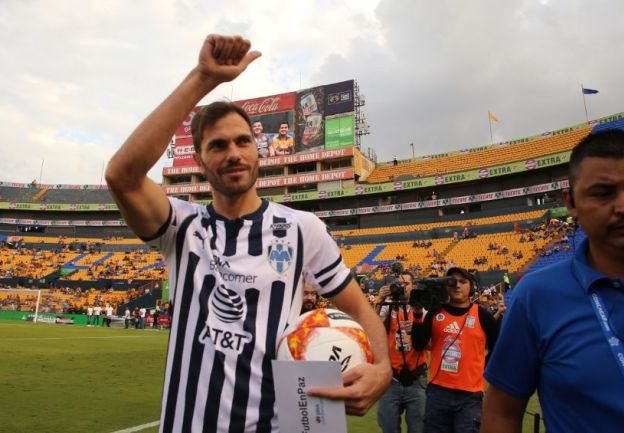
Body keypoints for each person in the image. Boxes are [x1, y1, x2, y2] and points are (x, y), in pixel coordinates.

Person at [105, 34, 391, 433]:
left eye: (243, 141)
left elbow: (361, 309)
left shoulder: (302, 228)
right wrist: (203, 78)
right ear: (202, 162)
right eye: (217, 146)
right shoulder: (181, 226)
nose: (233, 153)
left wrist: (383, 367)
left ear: (259, 151)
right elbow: (121, 175)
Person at [481, 129, 624, 433]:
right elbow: (501, 415)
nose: (622, 206)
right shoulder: (535, 296)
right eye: (603, 193)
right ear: (570, 202)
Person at [410, 267, 501, 433]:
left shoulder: (483, 316)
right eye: (452, 282)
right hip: (438, 391)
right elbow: (418, 344)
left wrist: (482, 369)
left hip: (470, 396)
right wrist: (417, 314)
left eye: (463, 282)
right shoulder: (435, 313)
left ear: (471, 287)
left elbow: (498, 348)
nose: (457, 286)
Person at [375, 271, 427, 433]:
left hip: (416, 378)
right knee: (388, 428)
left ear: (414, 286)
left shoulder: (423, 310)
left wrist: (416, 334)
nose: (402, 287)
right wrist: (380, 300)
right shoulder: (388, 307)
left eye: (406, 284)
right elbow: (371, 326)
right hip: (390, 378)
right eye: (398, 284)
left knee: (418, 429)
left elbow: (432, 343)